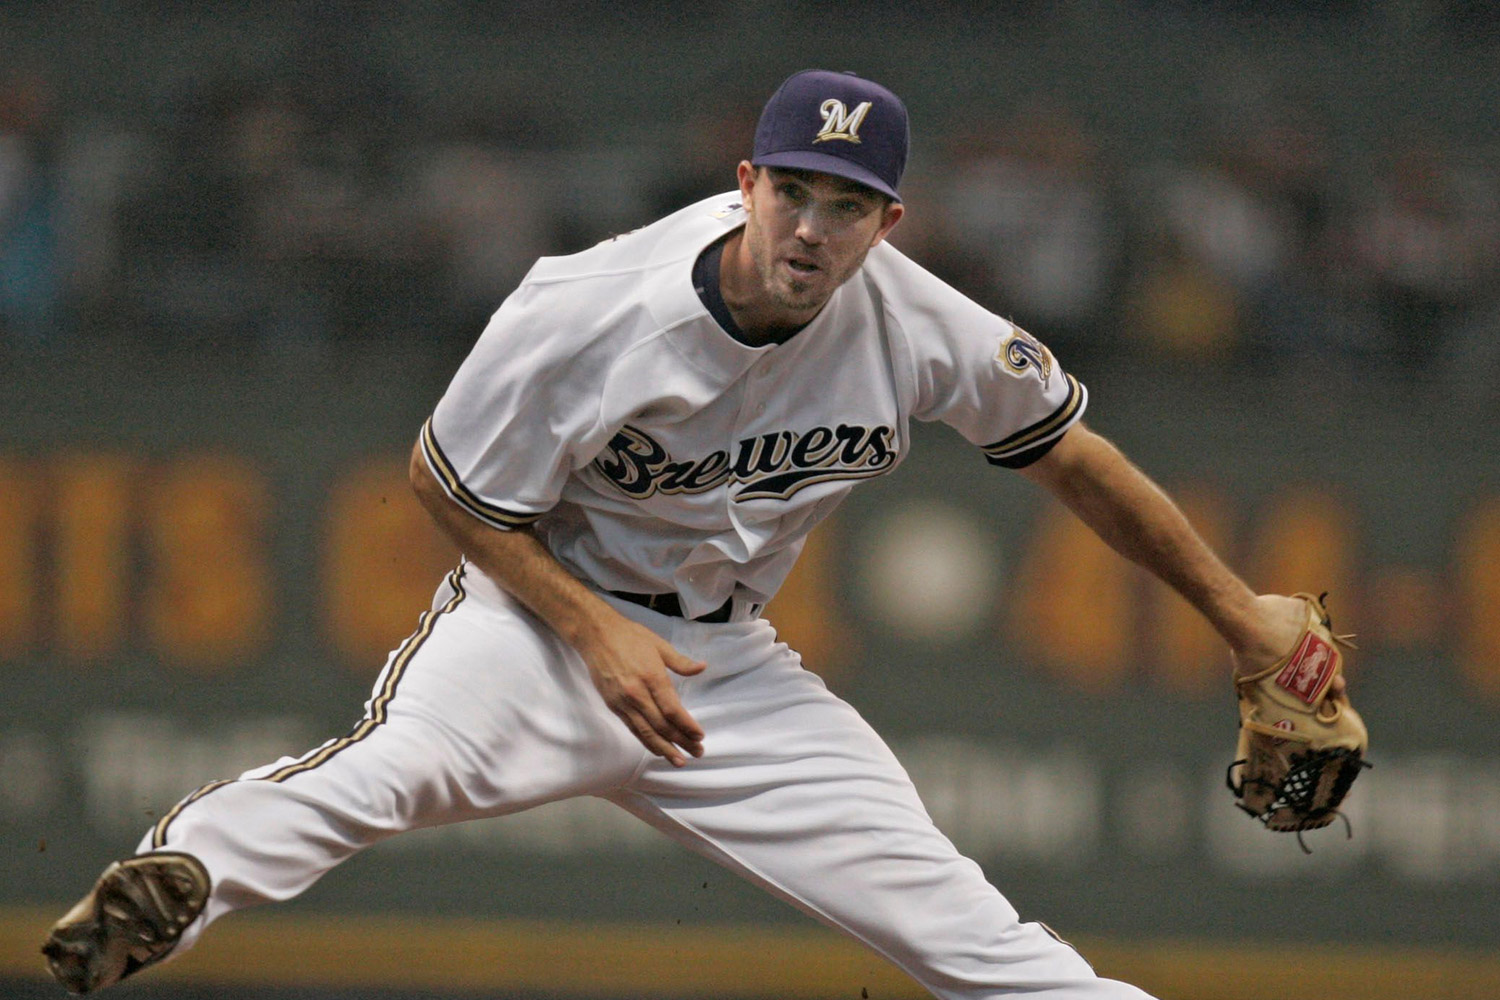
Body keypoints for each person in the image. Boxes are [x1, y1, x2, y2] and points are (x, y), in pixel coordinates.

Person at [43, 69, 1324, 1000]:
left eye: (851, 204)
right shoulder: (591, 312)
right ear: (747, 184)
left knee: (973, 938)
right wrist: (595, 635)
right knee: (396, 769)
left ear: (893, 223)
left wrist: (1237, 610)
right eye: (797, 192)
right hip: (538, 625)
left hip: (732, 678)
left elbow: (1070, 456)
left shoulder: (917, 320)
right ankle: (178, 882)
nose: (815, 228)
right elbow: (450, 489)